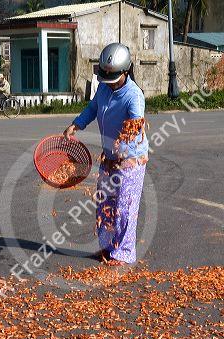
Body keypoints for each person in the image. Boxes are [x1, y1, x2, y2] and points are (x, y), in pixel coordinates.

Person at [64, 43, 149, 267]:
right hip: (109, 157)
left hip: (130, 160)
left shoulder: (134, 96)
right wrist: (76, 124)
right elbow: (92, 109)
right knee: (104, 205)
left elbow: (135, 126)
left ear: (126, 71)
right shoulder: (103, 88)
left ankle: (124, 252)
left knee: (124, 207)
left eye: (114, 78)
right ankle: (107, 247)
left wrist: (124, 148)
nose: (109, 83)